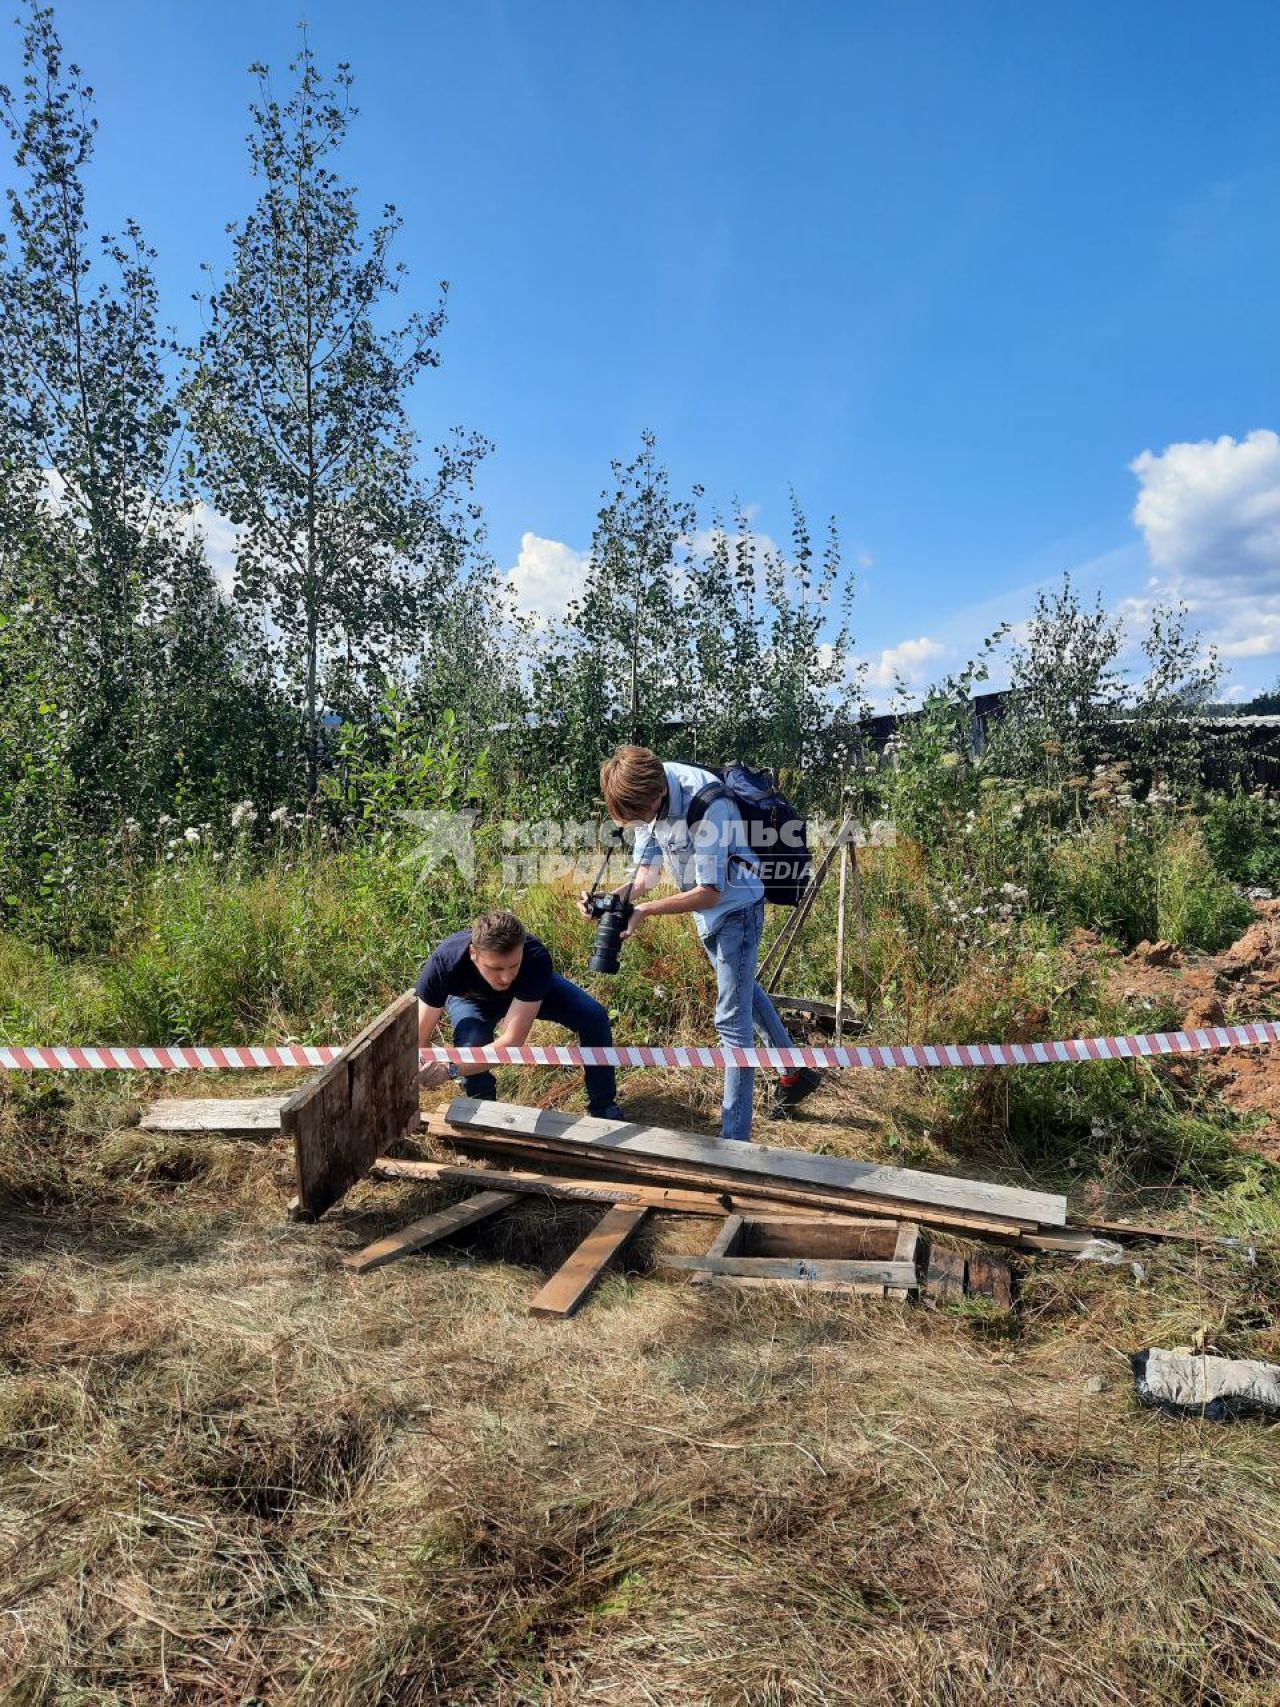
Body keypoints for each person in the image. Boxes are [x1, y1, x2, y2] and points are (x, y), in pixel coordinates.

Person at [589, 745, 821, 1142]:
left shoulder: (710, 804)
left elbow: (710, 891)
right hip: (706, 912)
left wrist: (644, 912)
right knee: (744, 994)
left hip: (736, 910)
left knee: (730, 1022)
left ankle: (734, 1141)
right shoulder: (647, 798)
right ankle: (795, 1073)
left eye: (641, 815)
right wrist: (616, 898)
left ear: (658, 793)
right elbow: (646, 874)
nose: (642, 822)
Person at [416, 909, 622, 1119]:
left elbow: (511, 1042)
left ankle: (603, 1105)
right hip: (471, 1000)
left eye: (513, 965)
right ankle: (483, 1113)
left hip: (527, 993)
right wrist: (417, 1066)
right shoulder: (444, 964)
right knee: (470, 1046)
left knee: (593, 1016)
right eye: (495, 968)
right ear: (473, 954)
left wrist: (451, 1069)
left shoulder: (534, 958)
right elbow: (416, 1040)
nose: (506, 977)